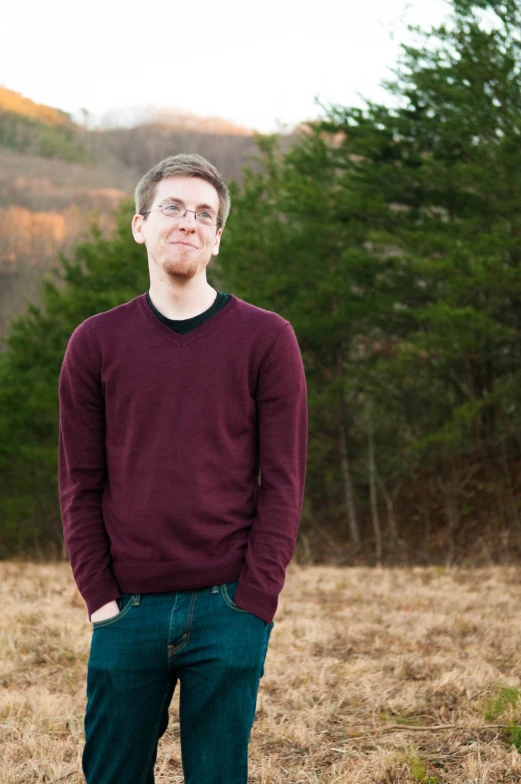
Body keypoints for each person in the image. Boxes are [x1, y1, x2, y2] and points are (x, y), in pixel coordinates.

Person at [58, 153, 308, 784]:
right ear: (140, 224)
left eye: (204, 214)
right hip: (127, 609)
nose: (188, 222)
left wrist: (255, 601)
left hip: (229, 607)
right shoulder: (95, 342)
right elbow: (80, 483)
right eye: (173, 207)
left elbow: (283, 482)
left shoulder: (267, 338)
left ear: (217, 238)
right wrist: (100, 599)